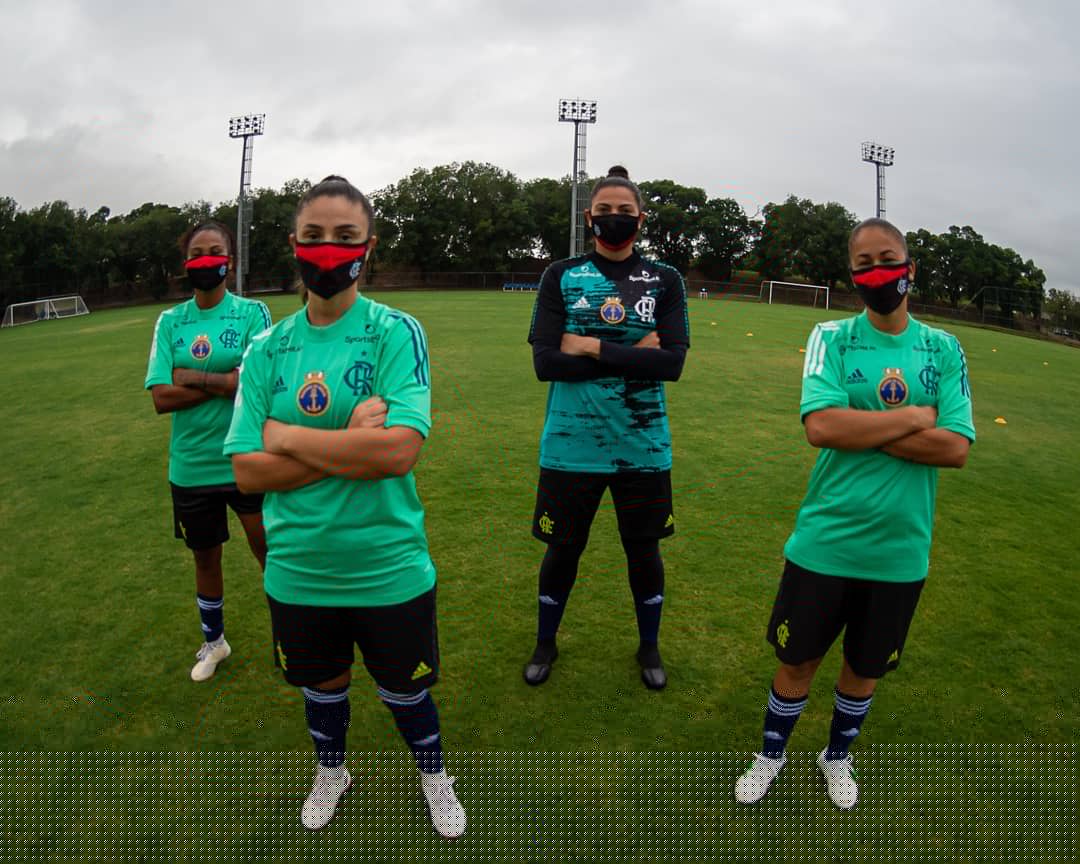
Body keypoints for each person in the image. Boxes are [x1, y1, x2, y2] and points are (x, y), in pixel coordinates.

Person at [223, 175, 465, 837]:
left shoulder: (396, 331)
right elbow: (247, 470)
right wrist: (347, 440)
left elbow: (396, 454)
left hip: (387, 565)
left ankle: (434, 778)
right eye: (316, 237)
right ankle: (333, 772)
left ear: (369, 247)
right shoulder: (265, 349)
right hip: (300, 571)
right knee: (322, 688)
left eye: (346, 238)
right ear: (295, 244)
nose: (329, 250)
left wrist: (289, 439)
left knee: (406, 692)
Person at [734, 217, 975, 809]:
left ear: (909, 267)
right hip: (827, 539)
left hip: (899, 550)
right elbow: (821, 427)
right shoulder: (831, 337)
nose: (877, 272)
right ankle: (772, 752)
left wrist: (864, 430)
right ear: (852, 275)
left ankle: (836, 757)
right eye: (864, 264)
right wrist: (917, 417)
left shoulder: (944, 347)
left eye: (887, 258)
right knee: (797, 660)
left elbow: (957, 447)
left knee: (864, 670)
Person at [523, 165, 690, 691]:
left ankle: (649, 647)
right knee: (562, 551)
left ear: (640, 220)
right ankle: (546, 642)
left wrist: (590, 345)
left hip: (642, 446)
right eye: (604, 211)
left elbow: (672, 364)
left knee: (644, 552)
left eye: (625, 212)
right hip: (570, 447)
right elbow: (546, 363)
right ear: (589, 216)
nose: (614, 220)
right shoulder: (560, 276)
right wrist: (633, 354)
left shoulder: (664, 279)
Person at [144, 221, 271, 682]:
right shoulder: (171, 321)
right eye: (197, 253)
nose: (206, 260)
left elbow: (253, 387)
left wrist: (191, 377)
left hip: (244, 458)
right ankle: (214, 643)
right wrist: (224, 382)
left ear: (230, 261)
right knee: (205, 557)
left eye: (215, 251)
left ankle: (290, 637)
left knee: (267, 548)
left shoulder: (252, 314)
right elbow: (161, 397)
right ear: (186, 264)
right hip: (192, 465)